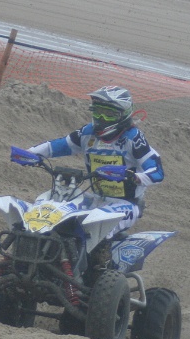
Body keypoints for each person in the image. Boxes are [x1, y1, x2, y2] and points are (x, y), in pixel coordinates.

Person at [26, 86, 164, 247]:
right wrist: (30, 153)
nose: (102, 117)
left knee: (95, 226)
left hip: (125, 204)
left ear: (124, 114)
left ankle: (97, 268)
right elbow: (58, 146)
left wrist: (135, 177)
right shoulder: (88, 133)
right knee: (55, 213)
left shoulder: (133, 139)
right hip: (95, 199)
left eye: (109, 114)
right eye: (98, 111)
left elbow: (157, 171)